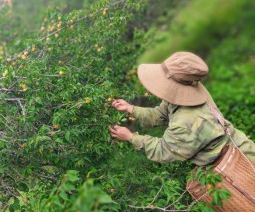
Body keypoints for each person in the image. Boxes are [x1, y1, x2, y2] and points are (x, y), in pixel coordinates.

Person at [109, 51, 255, 166]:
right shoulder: (191, 86)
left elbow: (164, 151)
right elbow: (161, 113)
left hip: (240, 165)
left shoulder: (186, 120)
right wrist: (131, 108)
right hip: (241, 148)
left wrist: (130, 137)